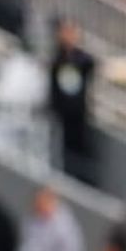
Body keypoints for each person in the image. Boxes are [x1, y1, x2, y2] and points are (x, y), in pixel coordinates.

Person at [48, 18, 97, 185]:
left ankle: (85, 180)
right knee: (64, 149)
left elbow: (91, 65)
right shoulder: (57, 58)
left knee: (82, 148)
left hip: (79, 112)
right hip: (62, 114)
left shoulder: (81, 59)